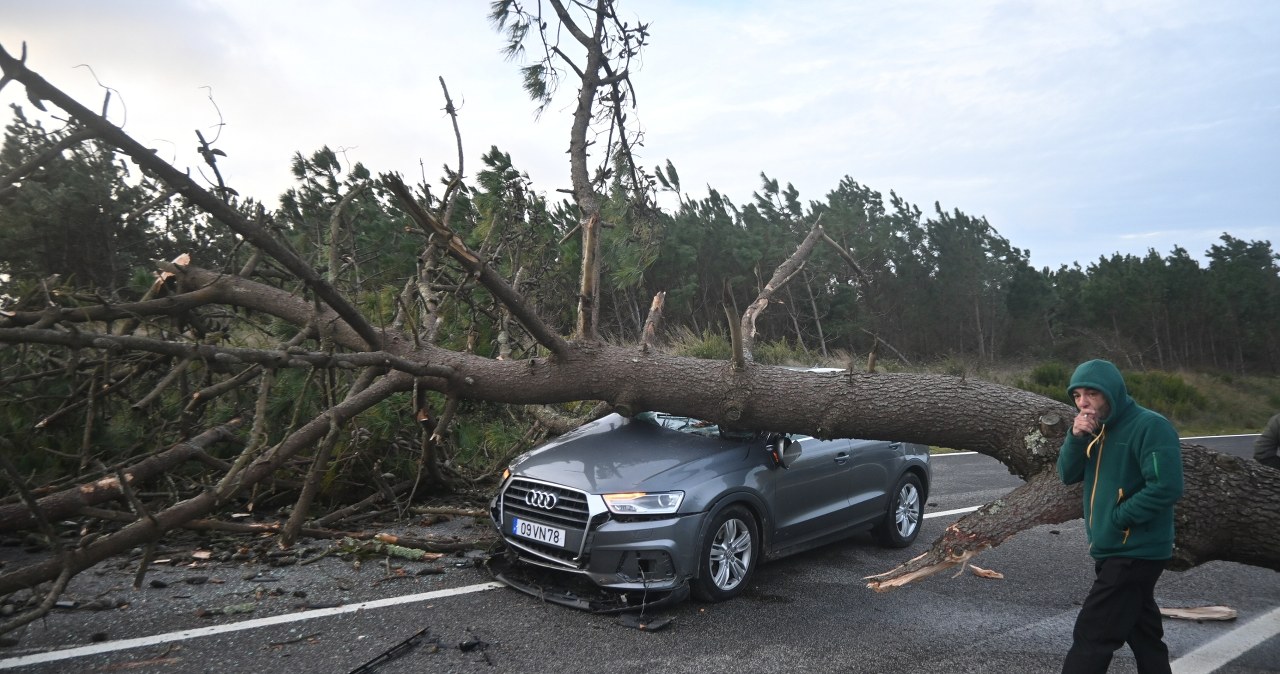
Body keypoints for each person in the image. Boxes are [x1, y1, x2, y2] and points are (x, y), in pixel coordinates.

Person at [1057, 359, 1185, 674]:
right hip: (1114, 548)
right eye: (1077, 395)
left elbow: (1166, 487)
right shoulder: (1094, 431)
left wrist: (1118, 518)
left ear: (1111, 393)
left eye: (1092, 394)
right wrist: (1075, 438)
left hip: (1134, 551)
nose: (1083, 402)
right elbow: (1067, 474)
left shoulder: (1149, 426)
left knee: (1092, 636)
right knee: (1144, 636)